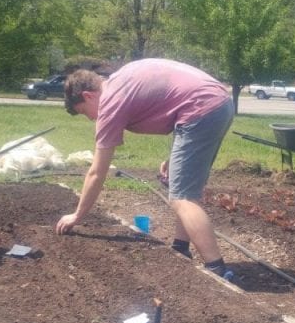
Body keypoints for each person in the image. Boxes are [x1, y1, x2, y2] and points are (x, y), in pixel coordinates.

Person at [56, 58, 237, 281]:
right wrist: (174, 159)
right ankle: (180, 248)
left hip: (200, 109)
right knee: (184, 190)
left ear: (88, 96)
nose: (92, 118)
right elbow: (175, 98)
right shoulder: (122, 79)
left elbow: (97, 172)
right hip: (218, 103)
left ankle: (218, 270)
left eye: (86, 112)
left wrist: (77, 215)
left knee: (182, 197)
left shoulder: (111, 102)